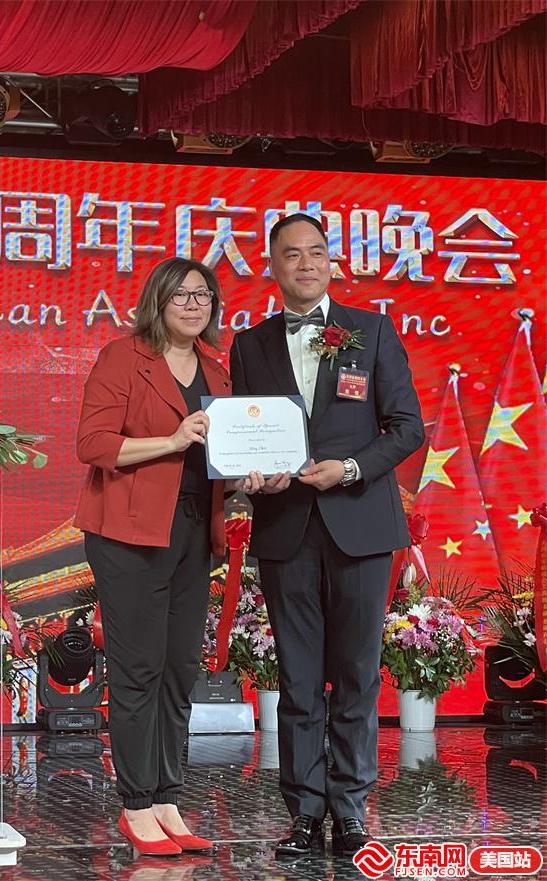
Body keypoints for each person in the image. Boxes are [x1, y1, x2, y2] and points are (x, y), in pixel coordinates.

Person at [229, 214, 425, 857]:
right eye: (292, 254)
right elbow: (244, 435)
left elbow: (406, 427)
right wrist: (251, 476)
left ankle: (353, 812)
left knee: (358, 676)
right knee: (297, 680)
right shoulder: (250, 344)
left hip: (361, 524)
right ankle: (305, 814)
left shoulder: (372, 330)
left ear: (331, 262)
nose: (306, 263)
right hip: (286, 528)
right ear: (272, 266)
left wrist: (351, 468)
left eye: (316, 252)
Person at [75, 257, 262, 857]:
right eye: (180, 294)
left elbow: (222, 454)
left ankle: (166, 798)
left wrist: (248, 475)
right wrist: (173, 440)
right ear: (156, 301)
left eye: (203, 295)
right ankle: (135, 803)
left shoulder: (217, 370)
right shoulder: (123, 357)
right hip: (128, 532)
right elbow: (93, 444)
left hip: (193, 530)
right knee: (139, 669)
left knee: (181, 668)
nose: (192, 304)